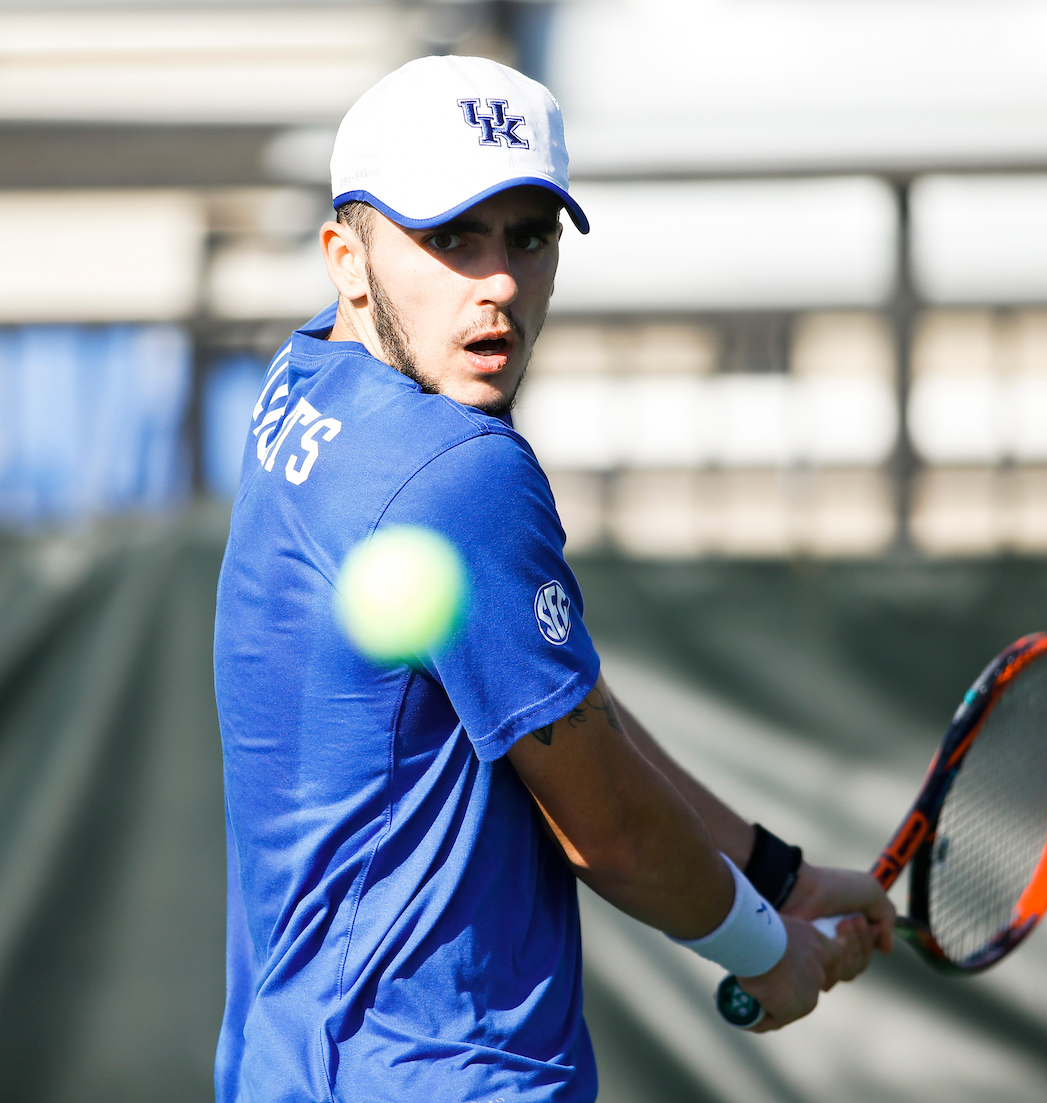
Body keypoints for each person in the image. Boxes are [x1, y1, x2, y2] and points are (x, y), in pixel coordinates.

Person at [213, 54, 894, 1103]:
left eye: (528, 236)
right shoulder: (461, 472)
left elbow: (566, 713)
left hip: (287, 1061)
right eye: (450, 237)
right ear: (347, 258)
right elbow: (607, 827)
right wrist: (769, 948)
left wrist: (778, 874)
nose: (497, 282)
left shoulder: (305, 376)